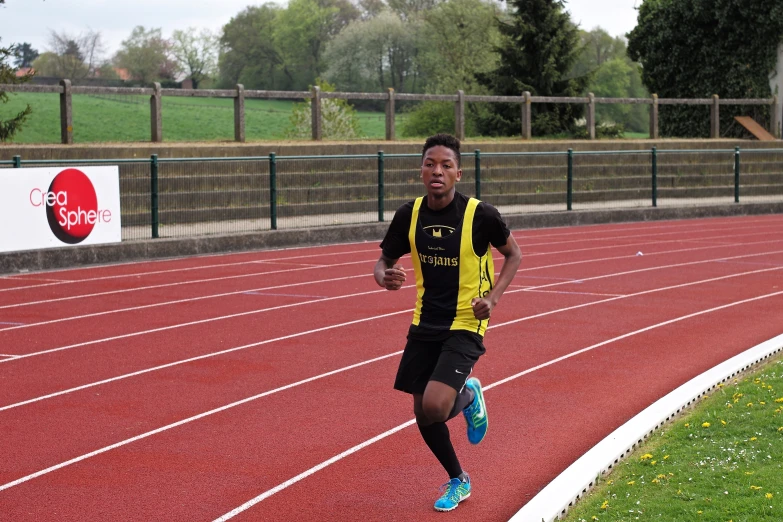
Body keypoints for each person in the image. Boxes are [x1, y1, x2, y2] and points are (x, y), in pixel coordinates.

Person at [373, 133, 522, 512]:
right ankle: (459, 479)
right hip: (425, 321)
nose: (437, 171)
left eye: (446, 165)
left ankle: (469, 395)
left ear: (458, 173)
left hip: (466, 322)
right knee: (421, 412)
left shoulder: (480, 215)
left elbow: (514, 255)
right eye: (430, 164)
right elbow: (382, 262)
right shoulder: (409, 214)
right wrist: (385, 276)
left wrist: (493, 298)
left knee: (438, 408)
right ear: (421, 171)